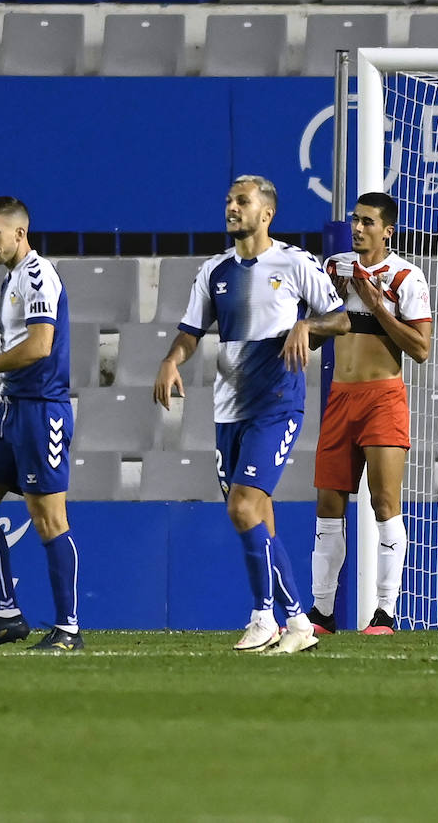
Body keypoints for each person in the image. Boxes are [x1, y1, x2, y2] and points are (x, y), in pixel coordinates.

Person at [154, 175, 349, 654]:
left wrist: (306, 323)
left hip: (277, 404)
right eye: (228, 201)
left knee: (244, 506)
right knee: (255, 515)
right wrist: (171, 359)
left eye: (242, 201)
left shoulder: (294, 262)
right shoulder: (214, 271)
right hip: (228, 408)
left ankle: (276, 617)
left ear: (267, 213)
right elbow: (191, 331)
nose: (232, 208)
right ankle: (285, 621)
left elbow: (342, 317)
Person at [0, 197, 84, 652]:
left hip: (42, 411)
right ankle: (7, 615)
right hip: (10, 410)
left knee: (48, 518)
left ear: (20, 233)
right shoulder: (12, 279)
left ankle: (68, 628)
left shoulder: (39, 275)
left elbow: (40, 346)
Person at [307, 193, 432, 637]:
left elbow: (420, 349)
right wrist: (329, 310)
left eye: (367, 222)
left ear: (387, 231)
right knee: (328, 504)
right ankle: (321, 613)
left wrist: (378, 307)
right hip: (340, 398)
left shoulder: (406, 277)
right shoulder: (333, 268)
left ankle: (384, 613)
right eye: (355, 220)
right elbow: (314, 339)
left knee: (384, 503)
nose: (357, 228)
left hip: (382, 399)